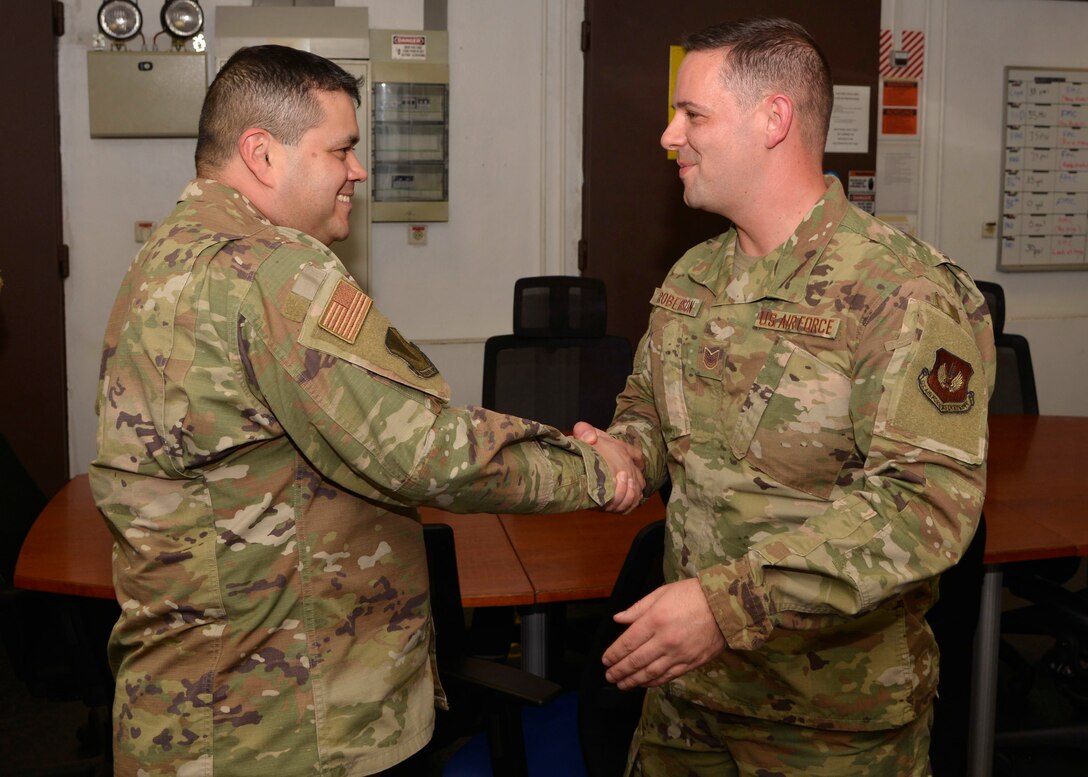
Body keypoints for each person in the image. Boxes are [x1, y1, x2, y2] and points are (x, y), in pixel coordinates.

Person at [90, 44, 642, 777]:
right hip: (293, 721)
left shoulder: (165, 256)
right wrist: (599, 472)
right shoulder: (272, 269)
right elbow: (423, 449)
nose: (358, 170)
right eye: (341, 149)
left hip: (189, 711)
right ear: (262, 154)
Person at [575, 17, 995, 776]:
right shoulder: (691, 279)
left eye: (692, 115)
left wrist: (724, 604)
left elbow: (924, 507)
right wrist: (626, 449)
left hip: (830, 724)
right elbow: (650, 407)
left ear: (774, 119)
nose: (670, 137)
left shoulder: (900, 290)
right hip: (689, 698)